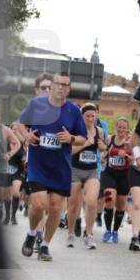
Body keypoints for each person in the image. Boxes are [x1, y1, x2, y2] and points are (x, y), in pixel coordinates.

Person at [17, 71, 87, 262]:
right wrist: (26, 137)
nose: (61, 88)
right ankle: (32, 233)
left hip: (61, 167)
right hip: (38, 165)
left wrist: (71, 138)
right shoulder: (36, 104)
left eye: (65, 85)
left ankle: (45, 246)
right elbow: (21, 125)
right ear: (51, 86)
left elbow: (83, 138)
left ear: (69, 89)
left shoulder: (73, 111)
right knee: (39, 204)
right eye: (58, 84)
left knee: (56, 208)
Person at [68, 103, 106, 249]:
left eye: (93, 116)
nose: (91, 118)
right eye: (87, 116)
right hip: (75, 170)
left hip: (92, 170)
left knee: (91, 203)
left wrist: (103, 150)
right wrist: (85, 144)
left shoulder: (99, 131)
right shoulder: (76, 131)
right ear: (81, 117)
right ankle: (70, 232)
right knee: (73, 204)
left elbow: (102, 146)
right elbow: (69, 151)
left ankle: (89, 235)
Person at [100, 118, 134, 243]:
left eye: (124, 128)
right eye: (119, 127)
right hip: (110, 174)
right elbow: (105, 151)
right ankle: (107, 230)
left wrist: (125, 155)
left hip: (124, 176)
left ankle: (115, 231)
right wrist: (104, 156)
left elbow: (133, 159)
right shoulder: (110, 138)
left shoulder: (129, 142)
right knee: (109, 201)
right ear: (116, 127)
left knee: (120, 205)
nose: (121, 130)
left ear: (127, 129)